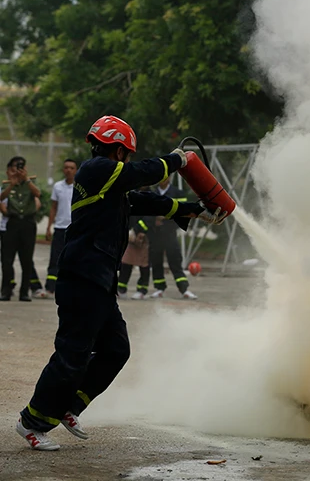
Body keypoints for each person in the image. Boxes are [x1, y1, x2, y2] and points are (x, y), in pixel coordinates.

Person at [15, 115, 227, 451]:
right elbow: (141, 174)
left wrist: (192, 209)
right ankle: (32, 422)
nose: (126, 159)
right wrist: (177, 160)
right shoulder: (95, 169)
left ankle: (70, 406)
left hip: (98, 282)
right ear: (118, 150)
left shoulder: (109, 186)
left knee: (116, 349)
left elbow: (142, 201)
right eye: (125, 154)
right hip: (82, 278)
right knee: (72, 354)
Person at [0, 157, 41, 302]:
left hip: (28, 224)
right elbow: (2, 197)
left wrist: (26, 180)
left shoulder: (30, 182)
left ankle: (25, 292)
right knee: (7, 259)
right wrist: (12, 184)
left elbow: (38, 194)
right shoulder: (8, 184)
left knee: (26, 259)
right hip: (13, 222)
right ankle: (5, 290)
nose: (18, 170)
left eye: (20, 167)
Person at [149, 175, 196, 300]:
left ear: (169, 178)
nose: (162, 180)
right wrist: (154, 219)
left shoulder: (177, 193)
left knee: (175, 261)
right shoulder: (152, 193)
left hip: (170, 233)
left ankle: (184, 289)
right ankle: (159, 288)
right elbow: (146, 212)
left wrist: (164, 217)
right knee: (156, 261)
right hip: (156, 234)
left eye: (165, 177)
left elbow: (182, 211)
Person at [44, 159, 78, 296]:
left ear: (76, 170)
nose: (68, 170)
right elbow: (53, 208)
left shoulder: (80, 187)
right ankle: (50, 287)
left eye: (71, 168)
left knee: (74, 259)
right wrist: (48, 227)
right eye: (66, 167)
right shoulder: (58, 186)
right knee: (55, 258)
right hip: (59, 227)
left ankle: (72, 287)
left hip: (75, 228)